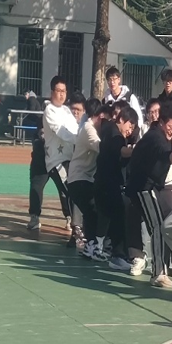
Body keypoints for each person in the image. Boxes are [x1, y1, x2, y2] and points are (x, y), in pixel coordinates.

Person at [124, 103, 172, 288]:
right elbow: (168, 155)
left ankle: (170, 265)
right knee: (157, 227)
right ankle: (158, 274)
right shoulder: (156, 138)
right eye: (170, 127)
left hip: (152, 187)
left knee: (162, 225)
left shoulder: (165, 136)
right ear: (162, 123)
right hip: (142, 187)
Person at [35, 77, 80, 244]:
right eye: (58, 91)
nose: (61, 95)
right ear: (52, 92)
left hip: (70, 159)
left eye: (64, 91)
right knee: (70, 190)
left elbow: (75, 129)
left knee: (73, 191)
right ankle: (76, 228)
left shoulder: (67, 111)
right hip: (56, 161)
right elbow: (62, 132)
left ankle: (75, 224)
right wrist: (81, 140)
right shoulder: (50, 111)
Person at [92, 105, 136, 266]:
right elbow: (122, 151)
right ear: (122, 120)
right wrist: (136, 150)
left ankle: (106, 250)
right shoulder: (115, 135)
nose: (130, 131)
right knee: (119, 219)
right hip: (109, 184)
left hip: (103, 182)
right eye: (130, 125)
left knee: (108, 218)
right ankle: (118, 256)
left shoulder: (107, 128)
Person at [67, 99, 105, 258]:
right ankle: (91, 245)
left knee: (92, 210)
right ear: (99, 115)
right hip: (79, 178)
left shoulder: (88, 127)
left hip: (82, 178)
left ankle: (91, 245)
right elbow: (101, 147)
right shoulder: (89, 129)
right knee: (92, 210)